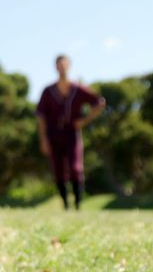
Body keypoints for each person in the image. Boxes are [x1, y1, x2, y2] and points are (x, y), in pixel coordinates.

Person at [36, 55, 105, 210]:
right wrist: (43, 139)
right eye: (59, 65)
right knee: (59, 171)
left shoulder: (78, 89)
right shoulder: (48, 91)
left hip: (72, 134)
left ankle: (78, 204)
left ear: (69, 66)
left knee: (76, 168)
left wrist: (84, 120)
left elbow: (99, 103)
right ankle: (66, 204)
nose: (62, 67)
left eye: (64, 64)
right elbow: (41, 117)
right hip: (54, 135)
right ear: (55, 67)